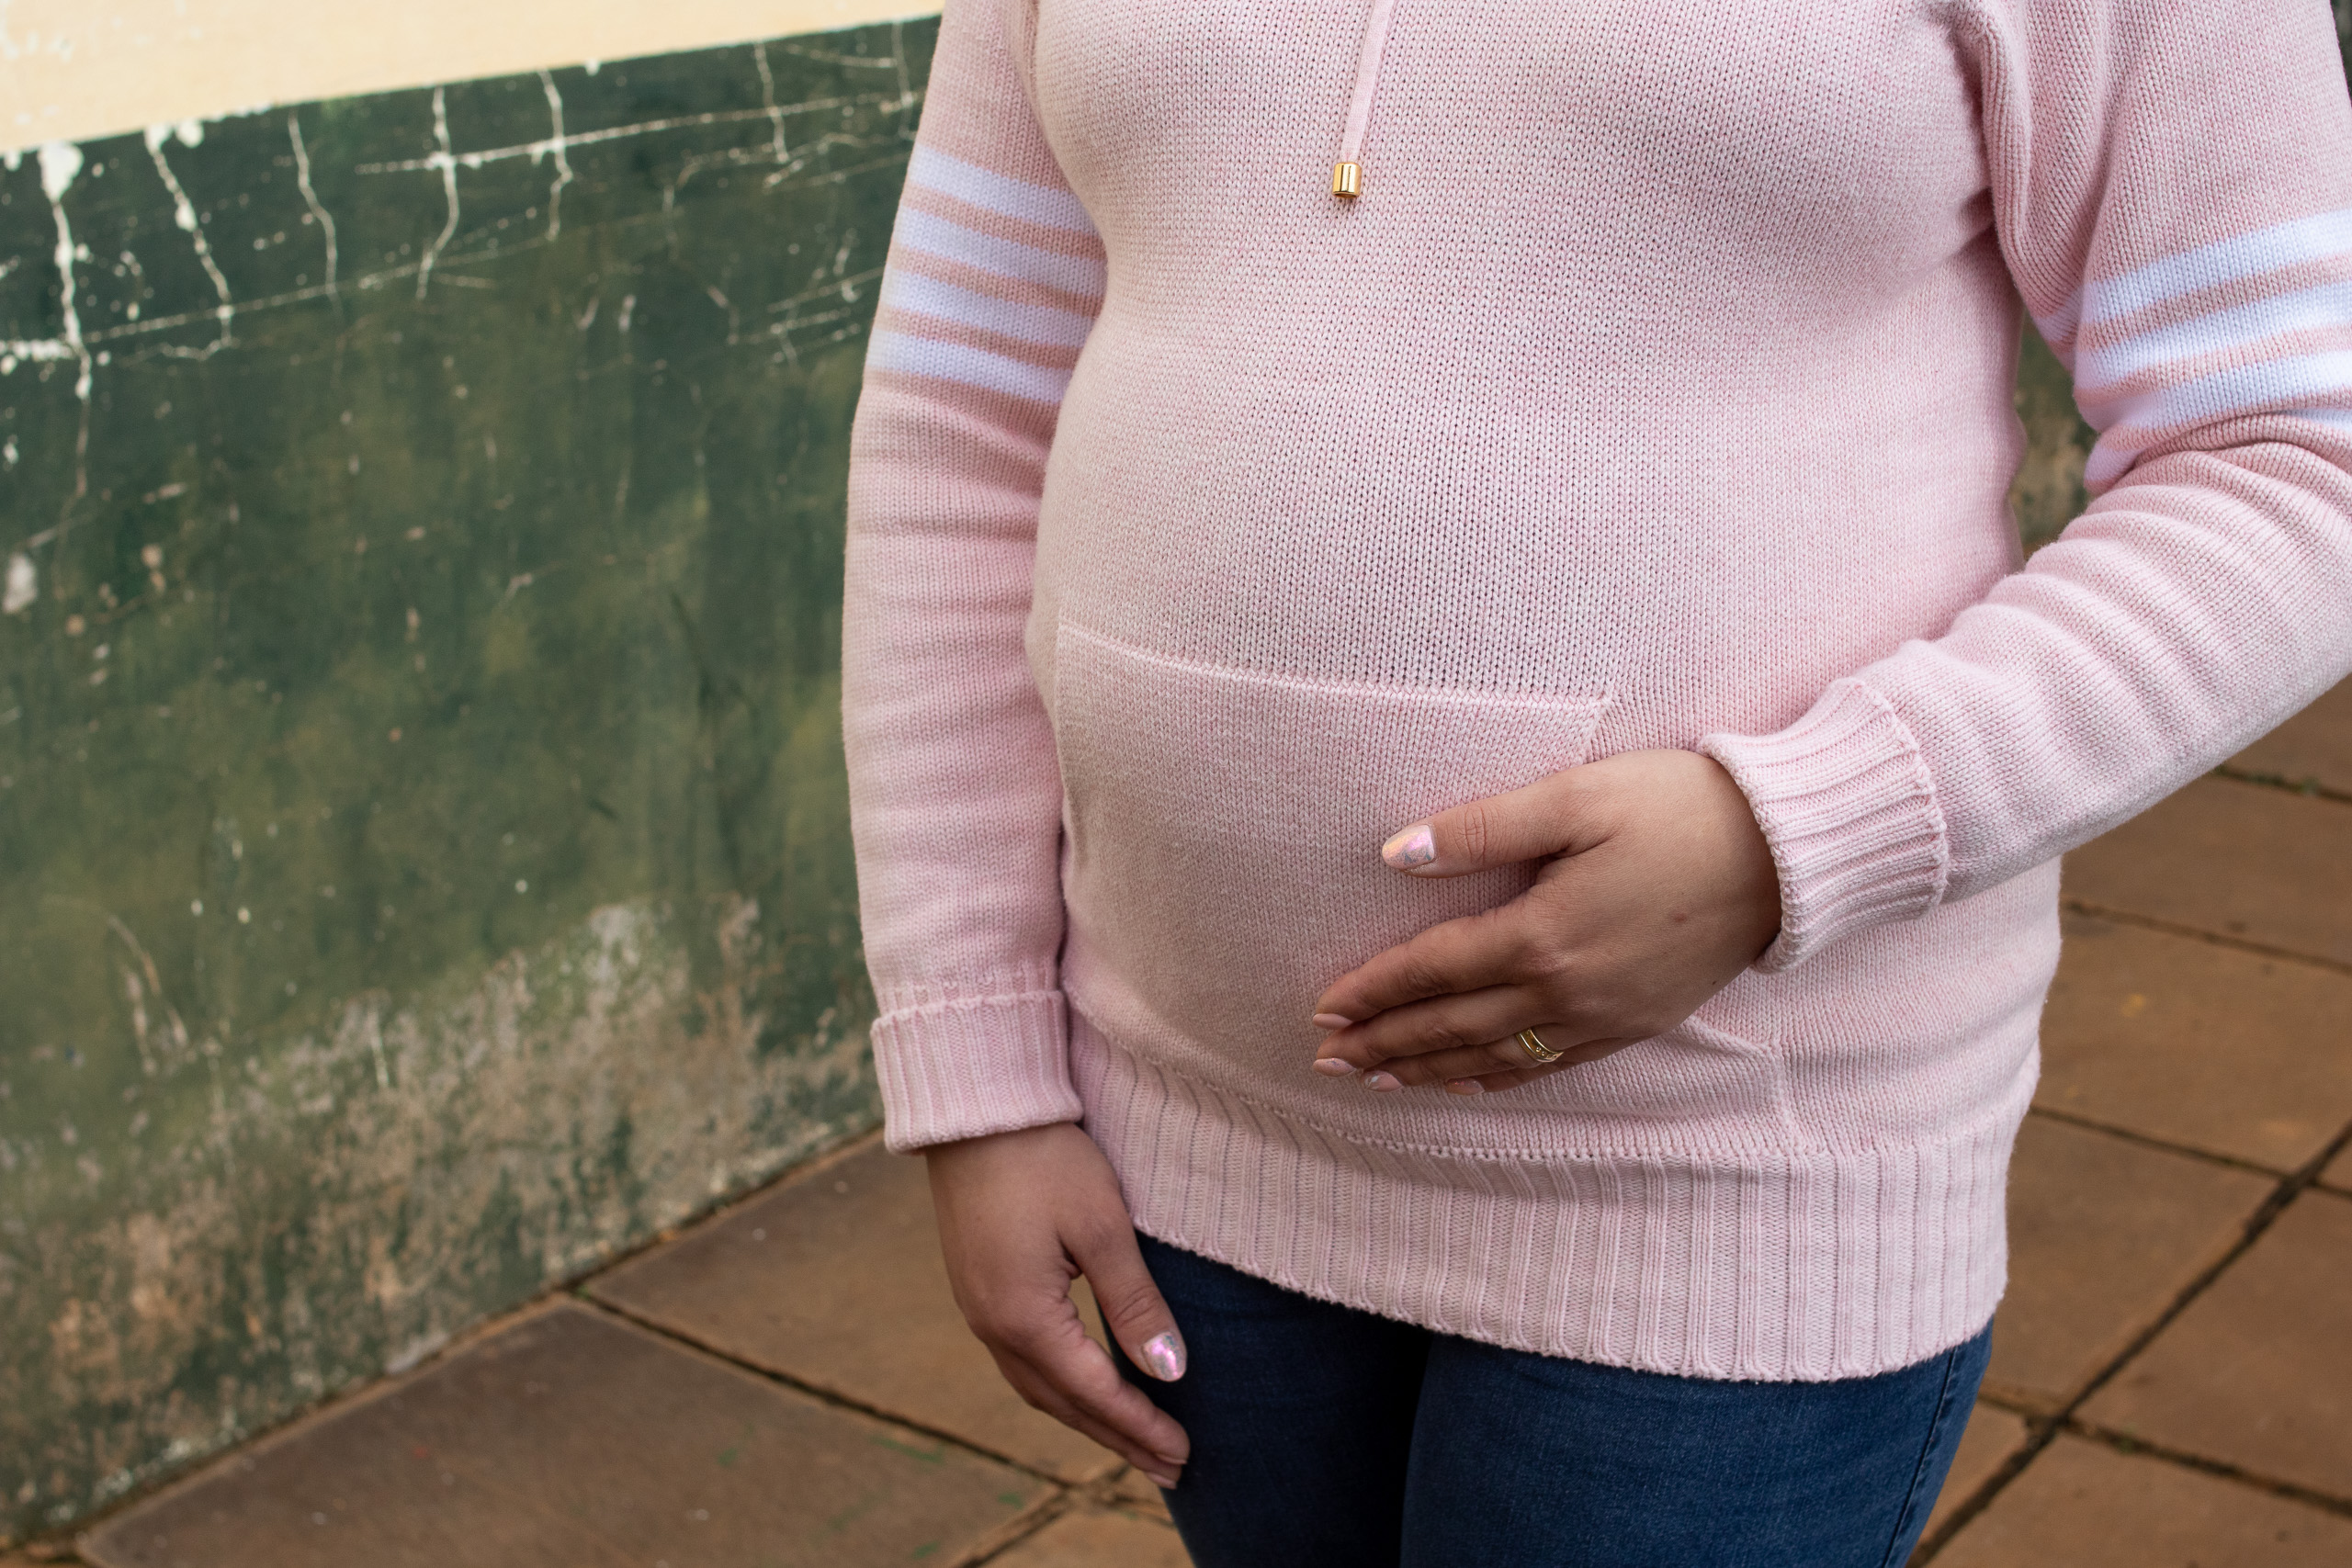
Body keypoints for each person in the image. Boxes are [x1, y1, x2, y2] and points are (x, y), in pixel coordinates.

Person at [840, 1, 2352, 1562]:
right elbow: (966, 421)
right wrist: (977, 1075)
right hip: (1190, 1139)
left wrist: (1795, 831)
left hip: (1726, 1171)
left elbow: (2295, 451)